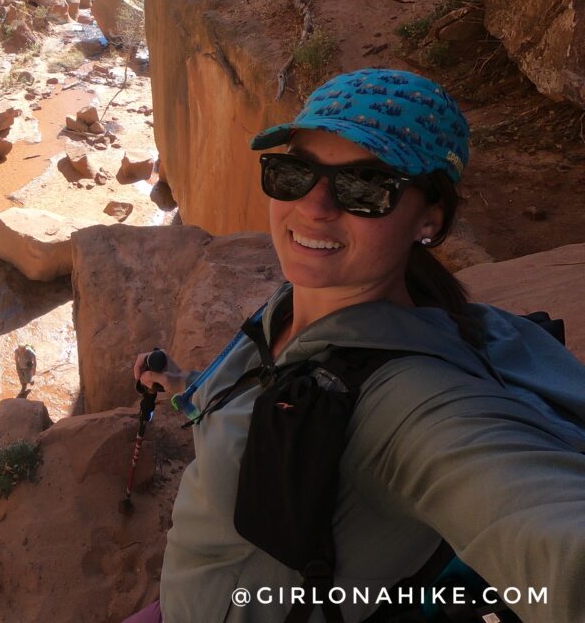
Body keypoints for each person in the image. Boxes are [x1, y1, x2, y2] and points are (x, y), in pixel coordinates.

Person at [126, 69, 585, 623]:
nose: (315, 207)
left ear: (430, 220)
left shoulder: (413, 403)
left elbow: (546, 526)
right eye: (294, 172)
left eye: (364, 187)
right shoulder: (299, 303)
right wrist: (183, 386)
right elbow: (262, 389)